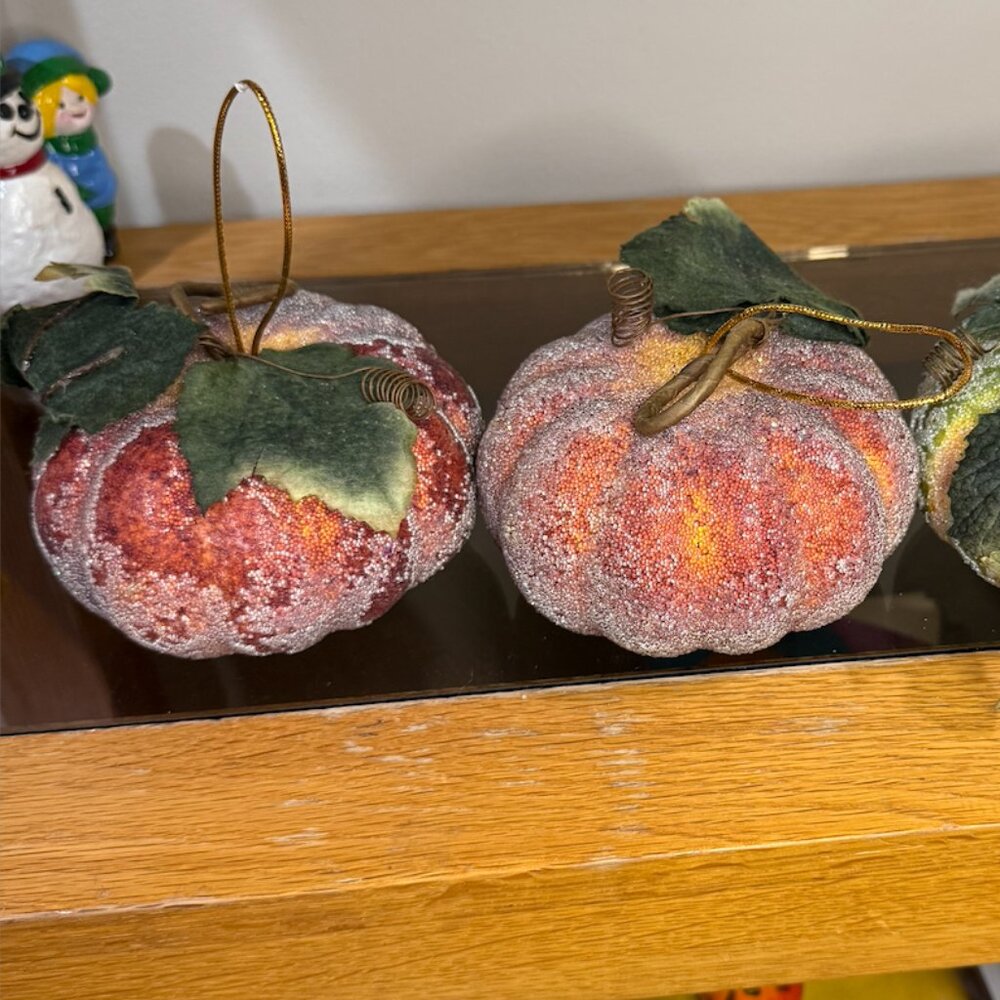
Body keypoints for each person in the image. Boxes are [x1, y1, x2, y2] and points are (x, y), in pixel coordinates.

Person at [7, 39, 118, 258]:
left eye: (79, 97)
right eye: (60, 104)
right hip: (64, 216)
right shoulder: (42, 152)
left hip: (94, 184)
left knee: (101, 203)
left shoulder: (87, 142)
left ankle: (105, 235)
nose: (75, 108)